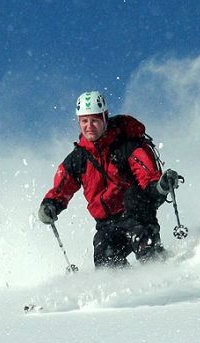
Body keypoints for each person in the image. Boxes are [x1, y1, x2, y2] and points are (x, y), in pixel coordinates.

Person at [37, 91, 182, 268]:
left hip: (138, 215)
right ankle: (128, 292)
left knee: (144, 244)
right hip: (107, 225)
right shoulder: (78, 159)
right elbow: (61, 188)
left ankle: (169, 270)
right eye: (84, 121)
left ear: (105, 119)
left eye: (95, 120)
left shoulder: (126, 146)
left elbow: (148, 178)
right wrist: (50, 204)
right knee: (105, 258)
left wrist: (161, 186)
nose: (89, 126)